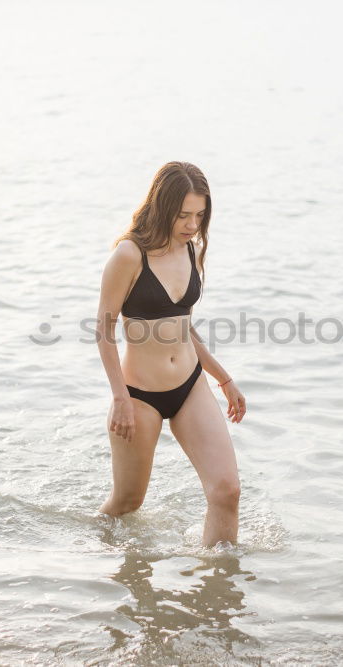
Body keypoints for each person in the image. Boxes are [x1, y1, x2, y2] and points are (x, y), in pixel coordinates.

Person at [95, 161, 246, 548]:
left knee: (226, 491)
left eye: (199, 215)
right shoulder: (129, 255)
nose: (193, 225)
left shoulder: (191, 251)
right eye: (183, 215)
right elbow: (104, 330)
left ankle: (218, 595)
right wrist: (120, 398)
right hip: (139, 395)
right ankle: (96, 561)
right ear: (162, 208)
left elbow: (183, 326)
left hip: (190, 386)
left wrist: (223, 378)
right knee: (127, 503)